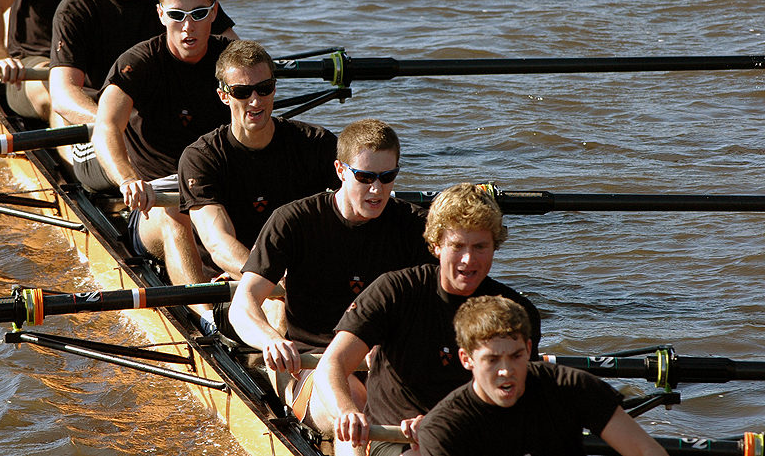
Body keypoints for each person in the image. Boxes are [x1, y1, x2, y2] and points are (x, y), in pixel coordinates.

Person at [228, 118, 434, 428]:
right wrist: (270, 340)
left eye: (387, 177)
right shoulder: (293, 221)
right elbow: (243, 303)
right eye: (364, 177)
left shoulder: (416, 226)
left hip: (387, 364)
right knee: (358, 404)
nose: (377, 190)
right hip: (313, 362)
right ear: (340, 170)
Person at [319, 182, 542, 456]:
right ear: (436, 245)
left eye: (480, 246)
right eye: (457, 246)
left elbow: (522, 402)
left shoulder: (515, 310)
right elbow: (332, 364)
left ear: (495, 246)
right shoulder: (395, 290)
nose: (468, 259)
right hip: (394, 439)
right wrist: (347, 411)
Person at [48, 0, 237, 168]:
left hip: (171, 118)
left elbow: (237, 59)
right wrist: (115, 124)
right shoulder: (76, 9)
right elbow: (62, 95)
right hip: (110, 120)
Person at [88, 0, 233, 298]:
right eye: (177, 15)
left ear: (214, 12)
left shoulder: (230, 63)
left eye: (198, 14)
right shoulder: (137, 64)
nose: (188, 26)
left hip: (216, 191)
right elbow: (107, 126)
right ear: (160, 15)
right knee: (174, 218)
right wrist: (127, 179)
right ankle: (204, 316)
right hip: (155, 200)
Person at [412, 296, 668, 456]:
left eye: (516, 356)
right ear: (466, 360)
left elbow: (644, 450)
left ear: (529, 349)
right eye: (492, 360)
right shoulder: (443, 428)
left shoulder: (569, 386)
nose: (506, 370)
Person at [178, 39, 340, 281]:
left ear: (274, 88)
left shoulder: (316, 144)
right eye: (242, 92)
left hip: (301, 273)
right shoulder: (202, 158)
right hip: (238, 277)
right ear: (224, 96)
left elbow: (354, 210)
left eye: (264, 88)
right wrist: (264, 278)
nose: (256, 101)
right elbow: (218, 242)